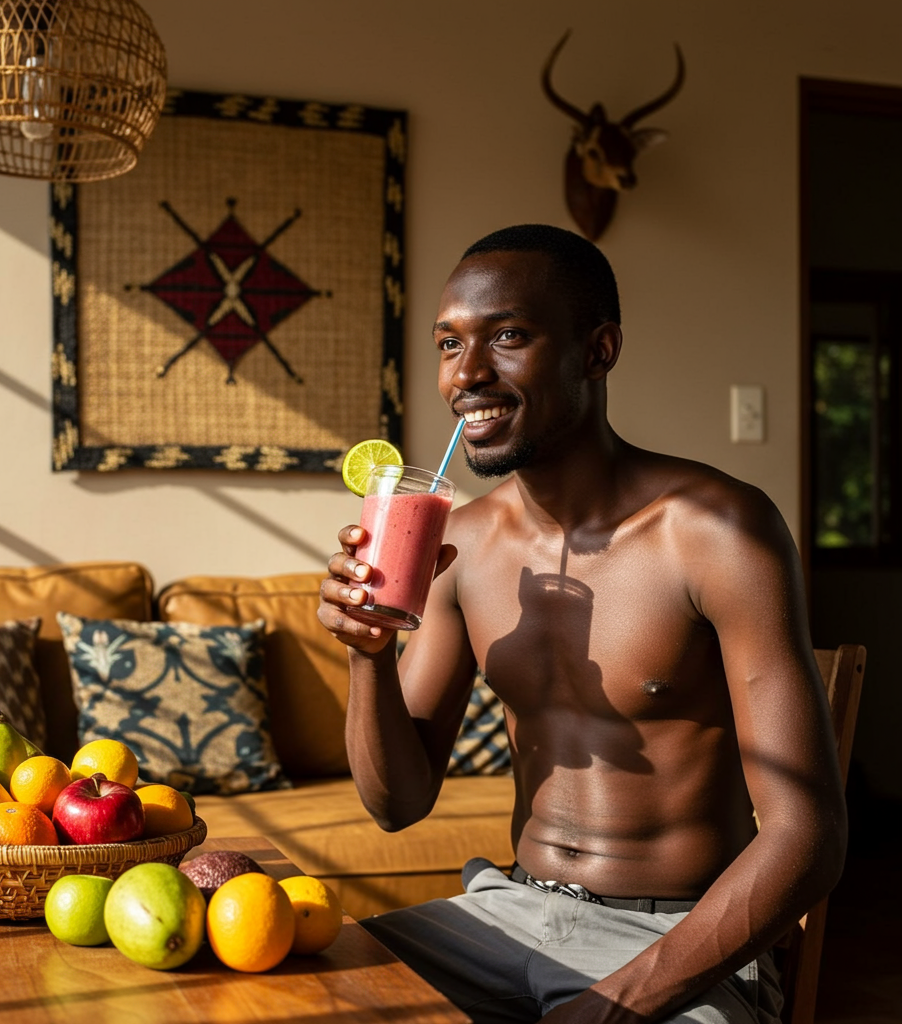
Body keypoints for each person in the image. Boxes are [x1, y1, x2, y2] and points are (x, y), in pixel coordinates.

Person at [317, 224, 847, 1024]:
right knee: (300, 994)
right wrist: (369, 654)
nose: (468, 373)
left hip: (674, 940)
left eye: (508, 336)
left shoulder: (717, 530)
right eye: (449, 343)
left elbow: (810, 834)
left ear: (597, 351)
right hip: (501, 914)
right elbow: (398, 803)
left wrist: (615, 1003)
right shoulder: (464, 543)